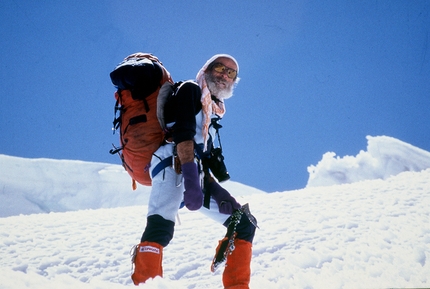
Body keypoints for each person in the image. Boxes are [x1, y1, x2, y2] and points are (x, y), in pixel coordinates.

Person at [131, 54, 257, 289]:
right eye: (220, 68)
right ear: (206, 69)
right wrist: (190, 178)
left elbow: (200, 152)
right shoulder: (190, 89)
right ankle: (145, 283)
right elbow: (183, 134)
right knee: (160, 226)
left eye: (231, 73)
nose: (224, 75)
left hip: (194, 171)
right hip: (172, 164)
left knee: (244, 223)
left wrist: (211, 190)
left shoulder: (211, 109)